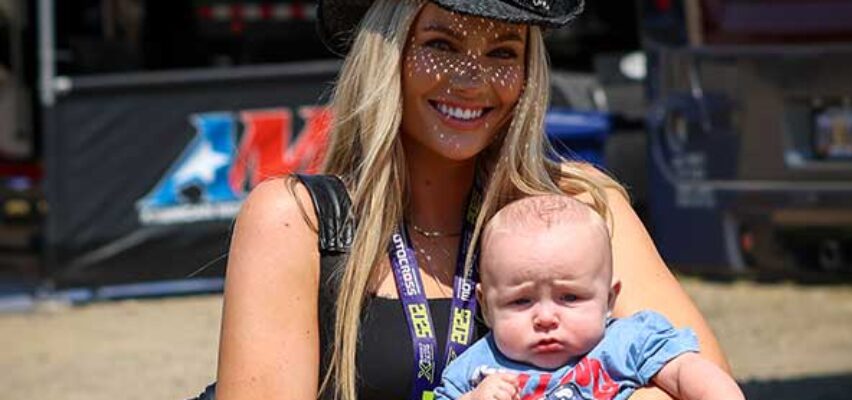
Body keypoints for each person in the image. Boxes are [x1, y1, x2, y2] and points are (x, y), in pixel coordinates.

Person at [213, 1, 732, 400]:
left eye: (503, 53)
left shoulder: (582, 205)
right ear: (386, 52)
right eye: (441, 44)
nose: (472, 78)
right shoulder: (299, 220)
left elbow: (704, 380)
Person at [435, 195, 744, 400]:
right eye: (521, 301)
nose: (545, 318)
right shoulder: (474, 369)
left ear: (609, 299)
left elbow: (687, 373)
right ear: (486, 307)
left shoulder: (627, 341)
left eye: (569, 297)